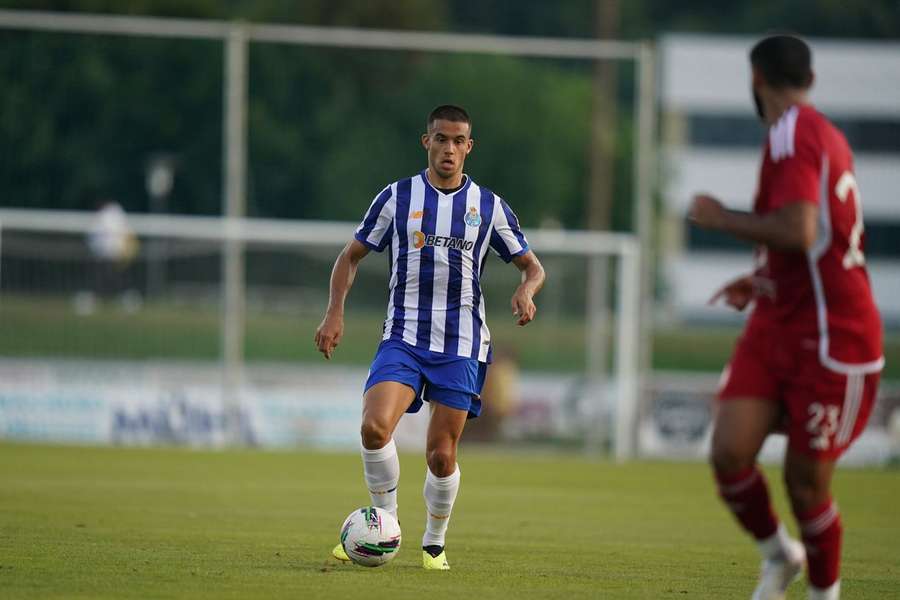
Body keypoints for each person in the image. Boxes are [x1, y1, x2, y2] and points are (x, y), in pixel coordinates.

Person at [689, 35, 883, 600]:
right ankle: (781, 556)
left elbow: (799, 229)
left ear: (756, 79)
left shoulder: (796, 132)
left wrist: (723, 217)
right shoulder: (796, 133)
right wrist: (765, 278)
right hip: (780, 321)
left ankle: (826, 593)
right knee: (729, 451)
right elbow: (818, 238)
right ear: (811, 79)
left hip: (833, 337)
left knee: (805, 486)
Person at [315, 105, 545, 570]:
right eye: (441, 139)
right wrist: (334, 311)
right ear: (427, 142)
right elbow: (351, 254)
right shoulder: (398, 198)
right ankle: (387, 524)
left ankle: (434, 543)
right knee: (374, 427)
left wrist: (527, 288)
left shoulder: (489, 206)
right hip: (403, 337)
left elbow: (532, 265)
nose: (449, 148)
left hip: (461, 345)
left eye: (458, 141)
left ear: (469, 148)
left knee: (441, 456)